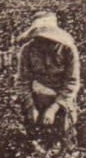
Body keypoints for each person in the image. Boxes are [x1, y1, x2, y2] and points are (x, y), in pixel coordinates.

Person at [15, 11, 81, 139]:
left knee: (63, 137)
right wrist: (30, 107)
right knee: (33, 139)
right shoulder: (27, 49)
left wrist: (54, 109)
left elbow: (71, 83)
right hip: (36, 99)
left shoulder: (67, 49)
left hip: (61, 100)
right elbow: (22, 81)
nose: (43, 42)